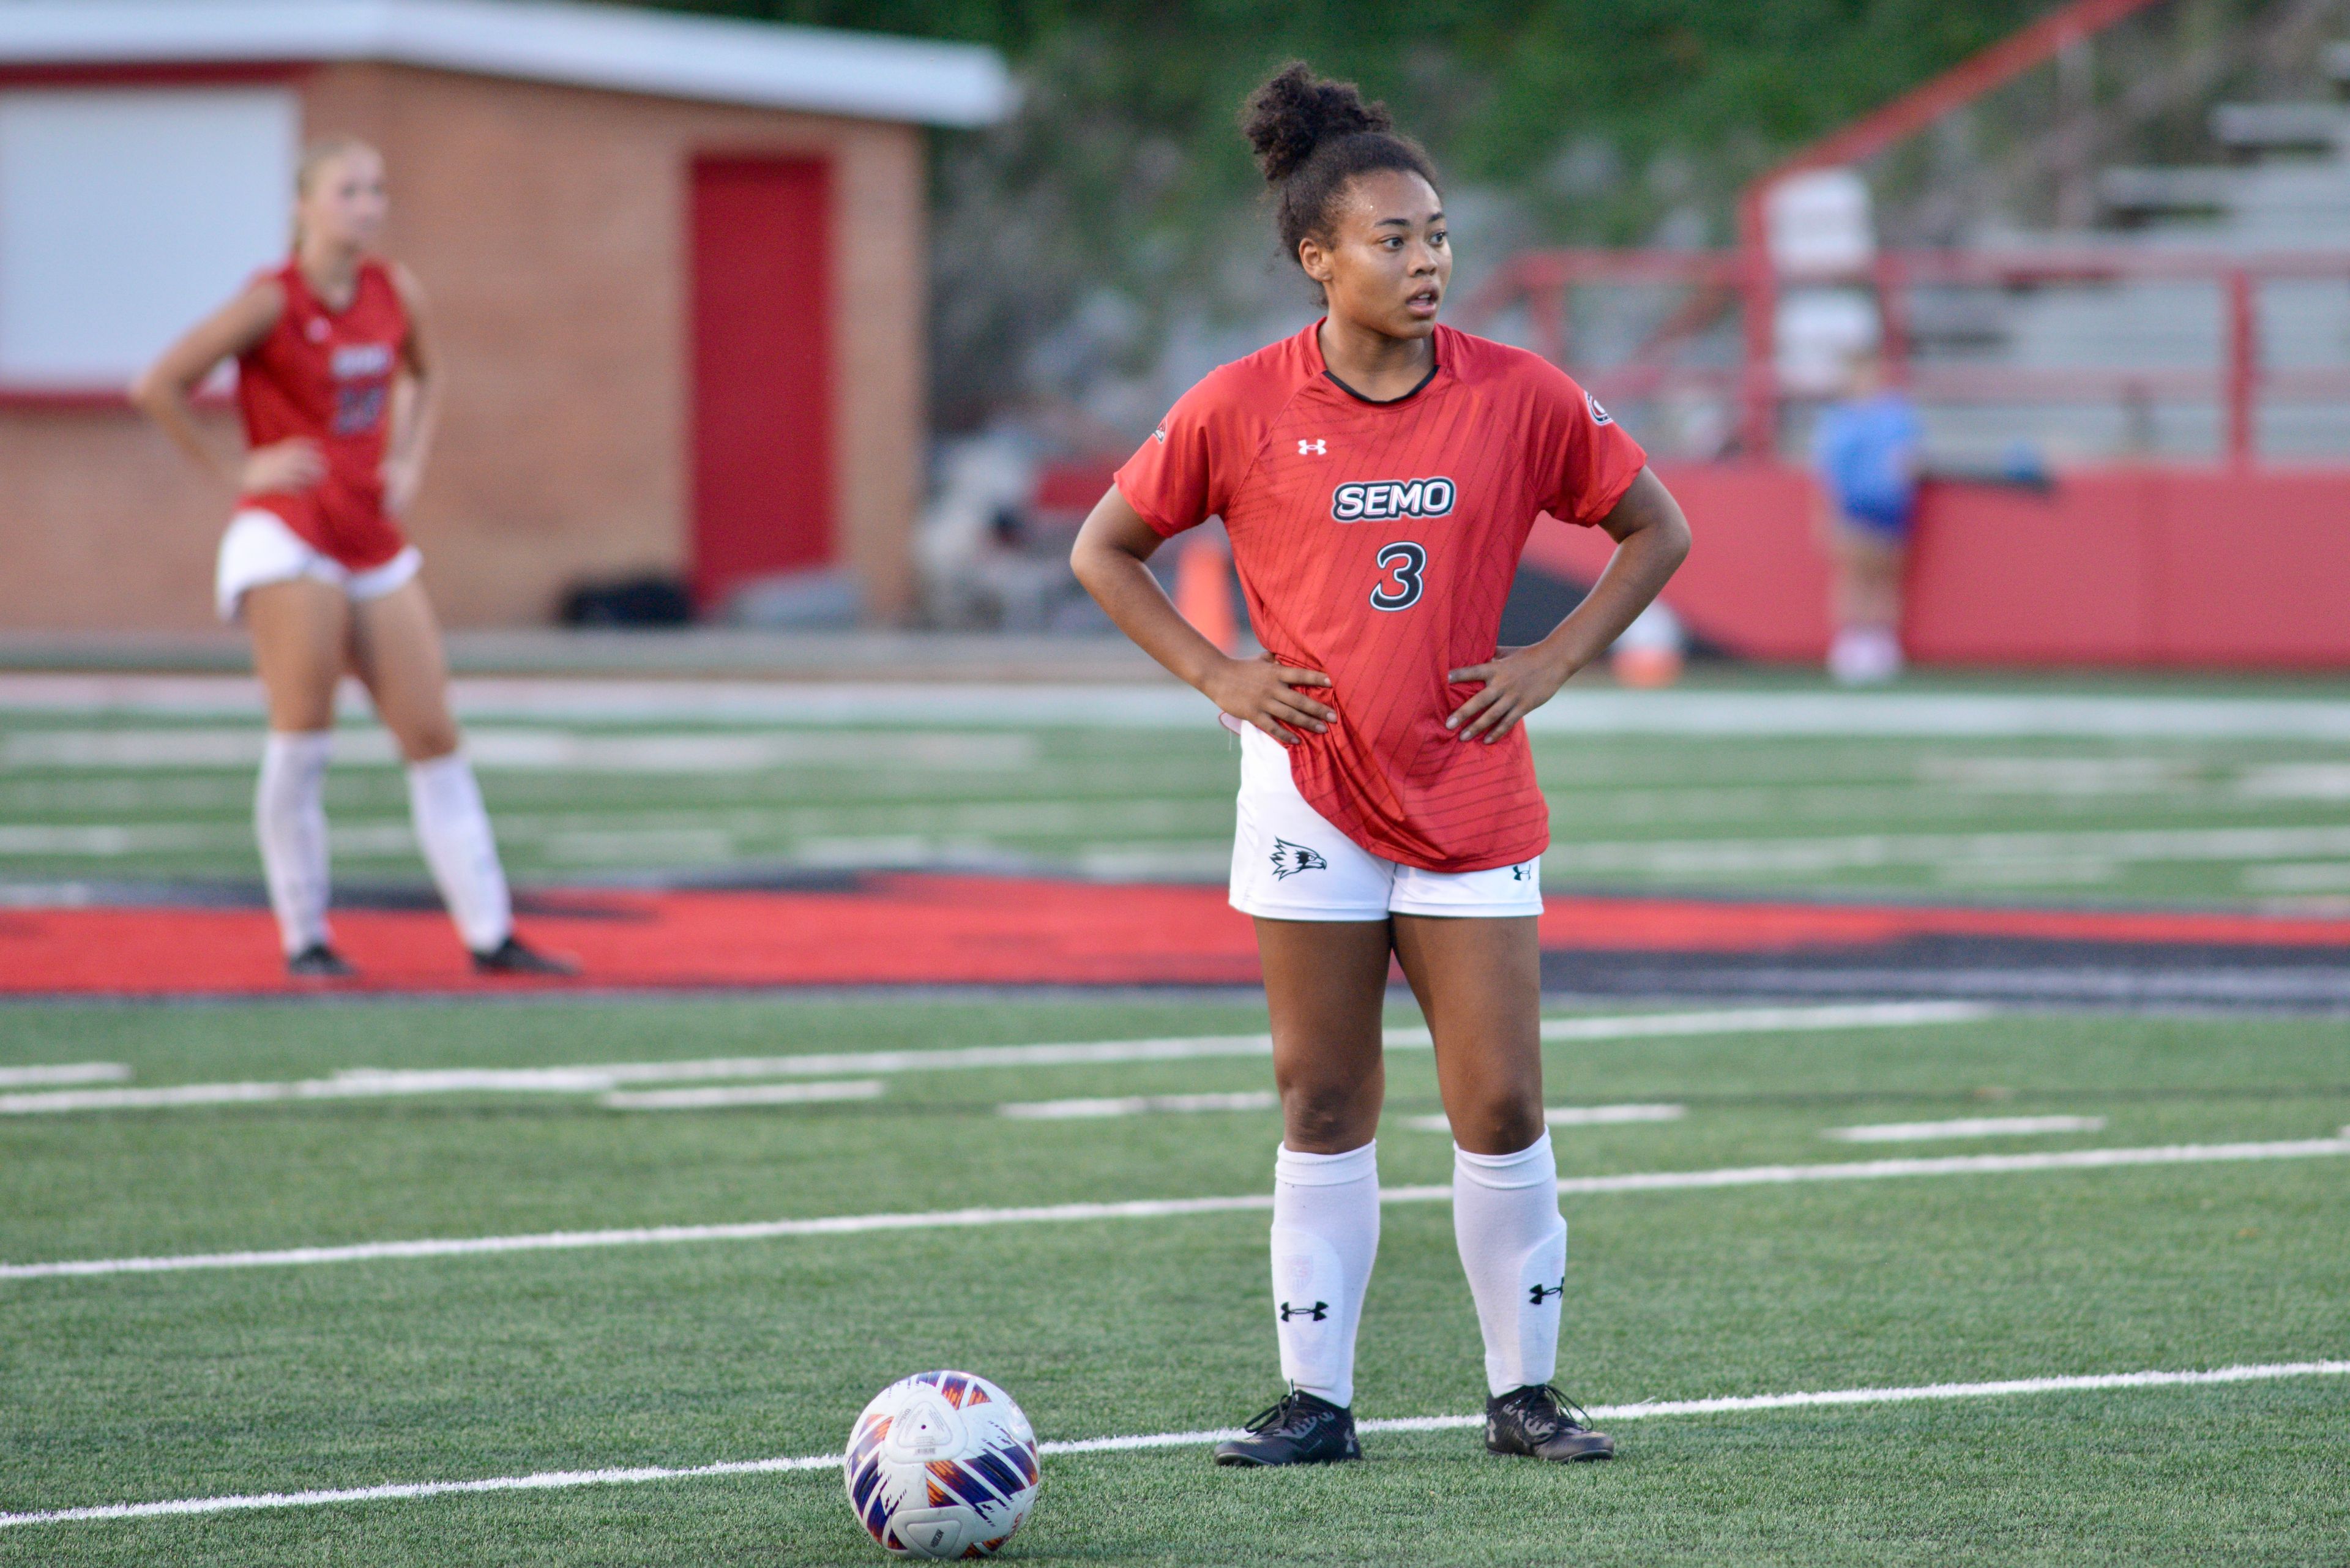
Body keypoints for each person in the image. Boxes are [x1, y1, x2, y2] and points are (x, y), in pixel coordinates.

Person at [1070, 64, 1690, 1468]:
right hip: (1304, 797)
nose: (1425, 262)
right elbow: (1103, 549)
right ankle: (1315, 1403)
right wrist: (1220, 677)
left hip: (1468, 794)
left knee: (1503, 1103)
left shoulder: (1522, 396)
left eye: (1437, 236)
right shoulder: (1236, 404)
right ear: (1317, 260)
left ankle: (1522, 1395)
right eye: (1390, 240)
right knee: (1322, 1098)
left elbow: (1655, 528)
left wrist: (1552, 661)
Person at [132, 138, 572, 979]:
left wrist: (407, 459)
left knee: (432, 730)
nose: (366, 206)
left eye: (376, 190)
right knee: (306, 728)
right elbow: (157, 384)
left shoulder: (392, 289)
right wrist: (235, 467)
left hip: (368, 530)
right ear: (305, 204)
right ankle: (306, 936)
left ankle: (491, 933)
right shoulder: (272, 300)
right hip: (287, 530)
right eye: (348, 191)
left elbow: (426, 376)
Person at [1811, 346, 1922, 684]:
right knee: (1854, 575)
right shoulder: (1839, 419)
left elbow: (1910, 459)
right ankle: (1852, 641)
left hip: (1890, 507)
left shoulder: (1896, 415)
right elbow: (1827, 472)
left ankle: (1882, 642)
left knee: (1885, 576)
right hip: (1853, 507)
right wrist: (1823, 514)